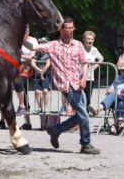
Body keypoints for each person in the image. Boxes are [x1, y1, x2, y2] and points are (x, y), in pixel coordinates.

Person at [25, 18, 100, 154]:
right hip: (66, 85)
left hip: (78, 83)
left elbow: (84, 63)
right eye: (68, 28)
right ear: (61, 29)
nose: (71, 30)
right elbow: (32, 47)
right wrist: (20, 37)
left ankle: (56, 130)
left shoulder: (78, 45)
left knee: (82, 114)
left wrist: (83, 79)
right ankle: (86, 144)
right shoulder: (53, 45)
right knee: (83, 115)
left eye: (72, 28)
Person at [82, 30, 104, 109]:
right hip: (80, 76)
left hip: (90, 77)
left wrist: (95, 66)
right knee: (80, 97)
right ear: (84, 40)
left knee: (88, 97)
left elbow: (101, 58)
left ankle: (86, 114)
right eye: (88, 39)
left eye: (91, 39)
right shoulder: (80, 49)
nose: (90, 41)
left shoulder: (94, 50)